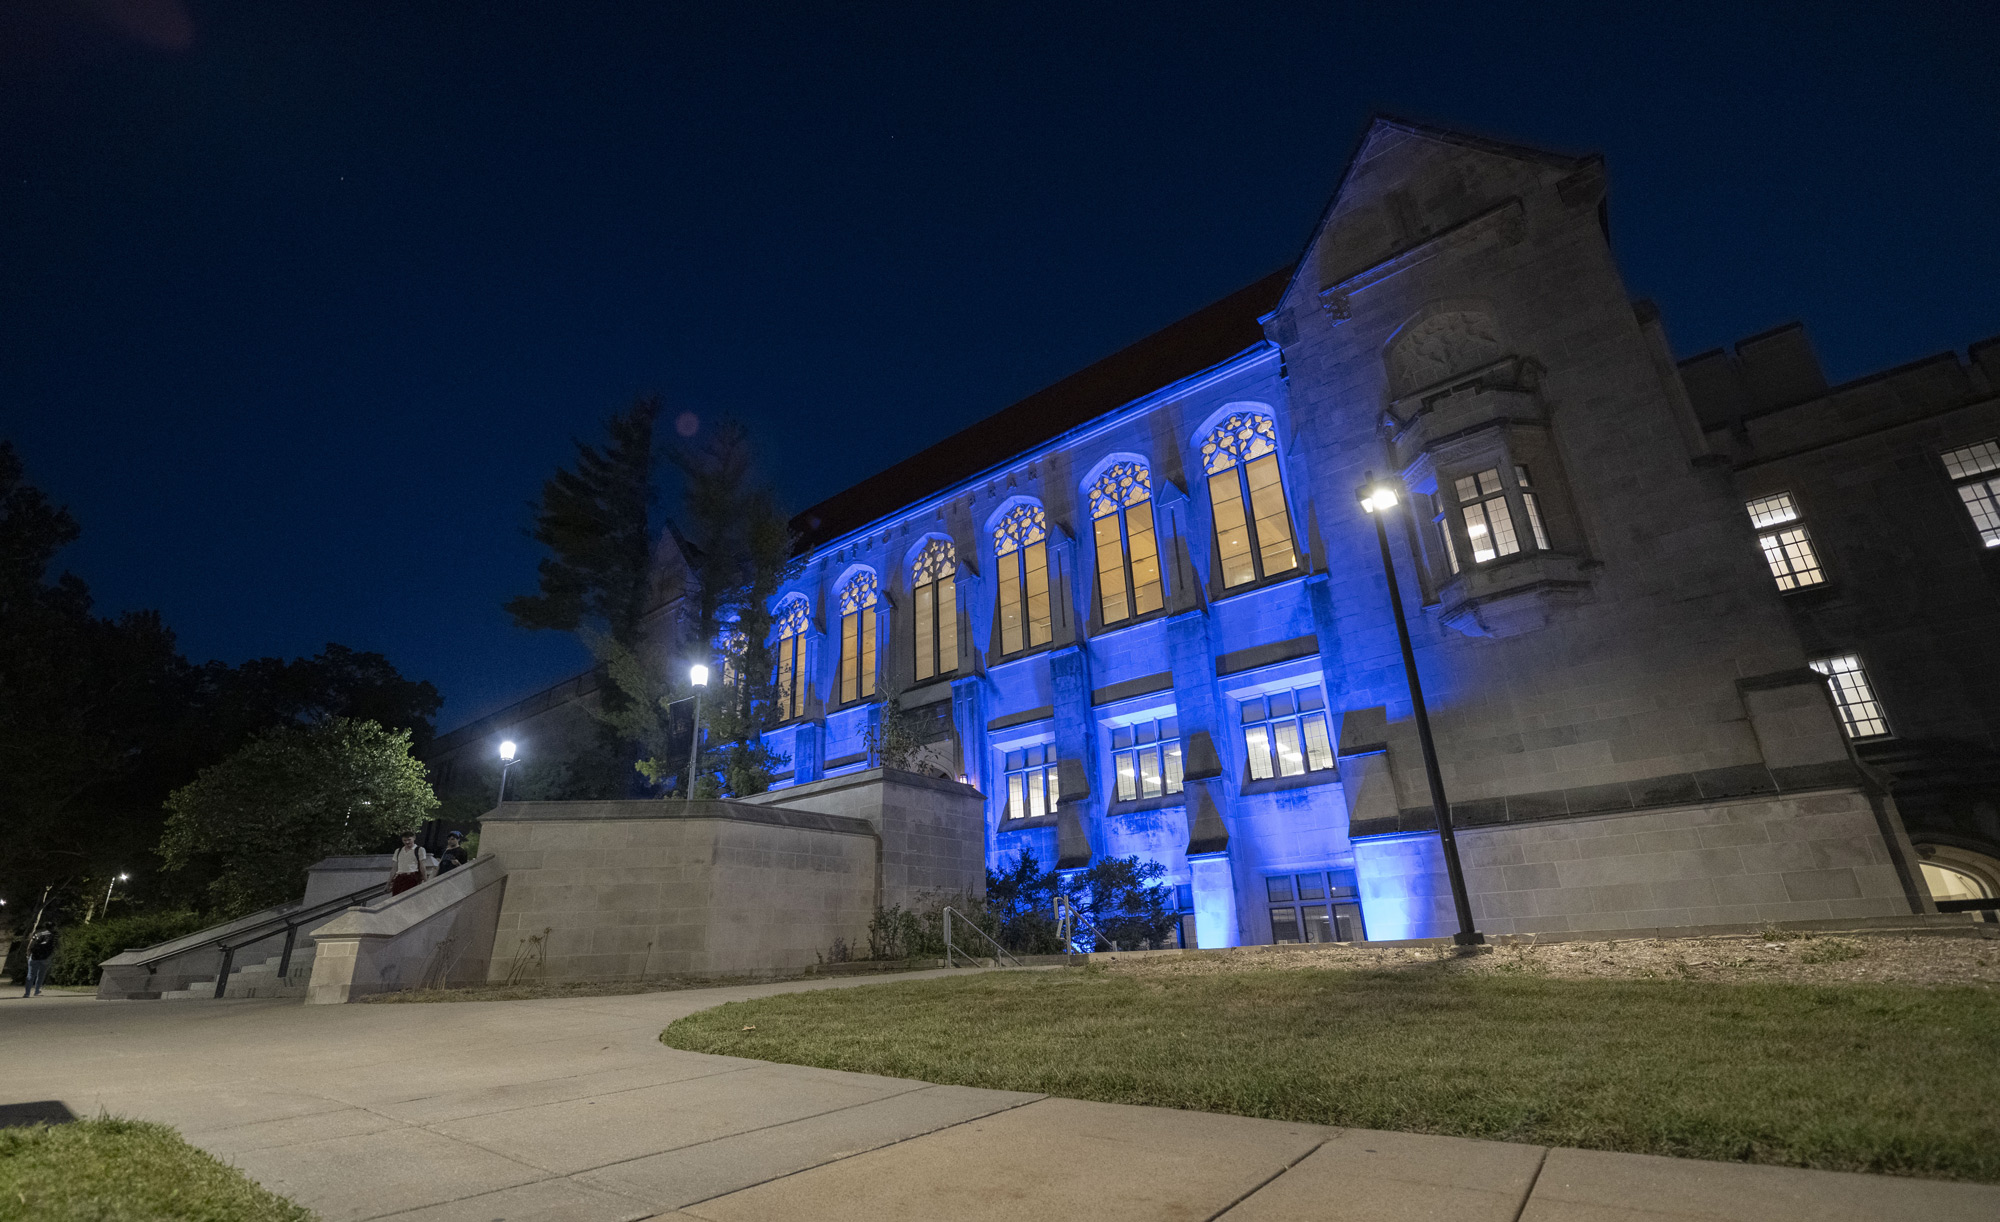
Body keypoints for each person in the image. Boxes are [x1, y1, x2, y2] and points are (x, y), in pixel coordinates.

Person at [22, 925, 57, 997]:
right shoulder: (52, 936)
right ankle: (37, 990)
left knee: (30, 975)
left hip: (34, 956)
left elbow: (30, 944)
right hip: (45, 957)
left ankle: (27, 993)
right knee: (41, 974)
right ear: (52, 928)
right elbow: (53, 947)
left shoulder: (37, 934)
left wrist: (28, 954)